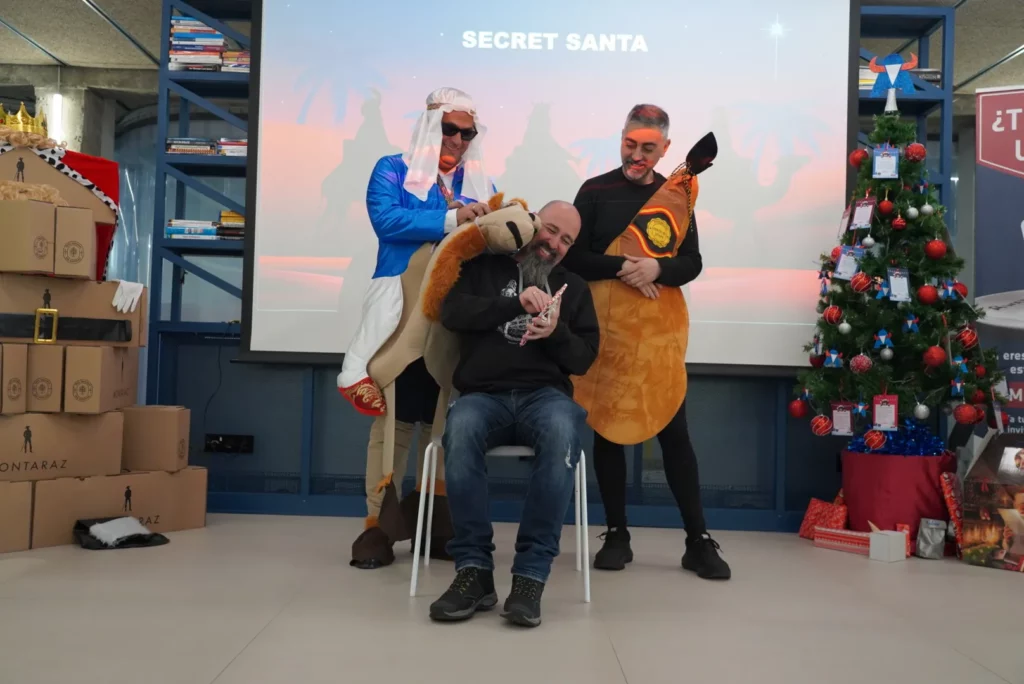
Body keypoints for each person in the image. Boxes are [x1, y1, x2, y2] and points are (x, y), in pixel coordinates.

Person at [563, 104, 731, 580]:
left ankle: (697, 540)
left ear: (666, 149)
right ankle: (616, 533)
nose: (637, 155)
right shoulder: (594, 191)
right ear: (621, 139)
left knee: (674, 434)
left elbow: (692, 262)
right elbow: (572, 257)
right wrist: (623, 267)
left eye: (648, 148)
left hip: (657, 338)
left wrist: (658, 268)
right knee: (608, 431)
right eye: (630, 144)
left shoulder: (673, 194)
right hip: (605, 332)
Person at [341, 87, 496, 570]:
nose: (459, 140)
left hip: (455, 318)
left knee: (445, 420)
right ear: (430, 125)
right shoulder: (392, 168)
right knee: (394, 420)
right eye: (450, 129)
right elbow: (387, 221)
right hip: (400, 310)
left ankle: (435, 521)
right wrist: (454, 218)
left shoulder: (483, 181)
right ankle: (376, 526)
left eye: (467, 133)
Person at [429, 201, 599, 627]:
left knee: (563, 431)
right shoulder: (485, 267)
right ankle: (474, 572)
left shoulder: (574, 287)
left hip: (545, 397)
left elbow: (583, 359)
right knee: (462, 426)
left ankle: (530, 577)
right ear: (534, 224)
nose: (555, 244)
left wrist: (554, 331)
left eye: (566, 240)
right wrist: (515, 306)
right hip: (482, 394)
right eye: (552, 230)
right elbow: (450, 313)